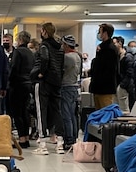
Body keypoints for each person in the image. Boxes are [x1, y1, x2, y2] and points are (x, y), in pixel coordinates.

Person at [31, 22, 64, 155]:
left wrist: (42, 72)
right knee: (57, 110)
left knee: (41, 111)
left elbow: (44, 58)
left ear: (44, 31)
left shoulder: (44, 45)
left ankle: (43, 144)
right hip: (56, 81)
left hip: (44, 82)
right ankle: (60, 142)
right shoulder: (60, 47)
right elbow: (61, 65)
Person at [7, 30, 34, 148]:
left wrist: (8, 81)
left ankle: (22, 139)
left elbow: (14, 68)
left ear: (20, 40)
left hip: (17, 84)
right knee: (25, 111)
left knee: (16, 112)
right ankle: (26, 137)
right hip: (28, 84)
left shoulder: (18, 52)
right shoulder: (30, 53)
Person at [59, 35, 82, 153]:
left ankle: (68, 140)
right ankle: (74, 138)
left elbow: (60, 71)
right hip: (74, 87)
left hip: (66, 87)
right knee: (73, 115)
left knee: (66, 115)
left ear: (66, 45)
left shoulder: (66, 57)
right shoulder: (78, 56)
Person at [89, 23, 119, 109]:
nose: (99, 34)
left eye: (100, 32)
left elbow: (108, 69)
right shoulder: (102, 47)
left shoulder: (110, 49)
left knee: (105, 111)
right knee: (98, 112)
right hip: (98, 86)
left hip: (105, 87)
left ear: (105, 33)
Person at [117, 39, 136, 112]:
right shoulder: (118, 56)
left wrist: (122, 85)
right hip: (120, 84)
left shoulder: (128, 57)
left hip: (125, 86)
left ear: (120, 44)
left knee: (124, 108)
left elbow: (130, 72)